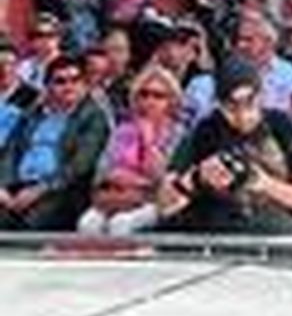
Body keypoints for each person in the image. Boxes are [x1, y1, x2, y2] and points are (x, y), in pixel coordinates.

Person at [157, 57, 292, 234]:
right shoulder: (204, 131)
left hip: (275, 241)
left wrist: (264, 183)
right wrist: (196, 180)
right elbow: (164, 206)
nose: (242, 115)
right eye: (231, 106)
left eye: (249, 102)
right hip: (215, 240)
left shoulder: (286, 128)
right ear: (219, 103)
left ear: (261, 96)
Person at [0, 54, 112, 230]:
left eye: (75, 80)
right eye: (60, 81)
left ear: (84, 85)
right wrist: (3, 187)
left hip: (61, 191)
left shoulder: (93, 118)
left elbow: (79, 166)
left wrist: (40, 189)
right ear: (47, 86)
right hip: (18, 185)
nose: (69, 86)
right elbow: (10, 152)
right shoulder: (32, 115)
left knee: (22, 225)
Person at [77, 63, 186, 235]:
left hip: (154, 201)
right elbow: (102, 171)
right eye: (144, 94)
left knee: (121, 224)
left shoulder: (178, 135)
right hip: (116, 197)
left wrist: (148, 142)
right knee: (88, 223)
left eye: (158, 96)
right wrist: (122, 178)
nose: (149, 101)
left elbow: (163, 179)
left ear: (171, 101)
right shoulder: (122, 130)